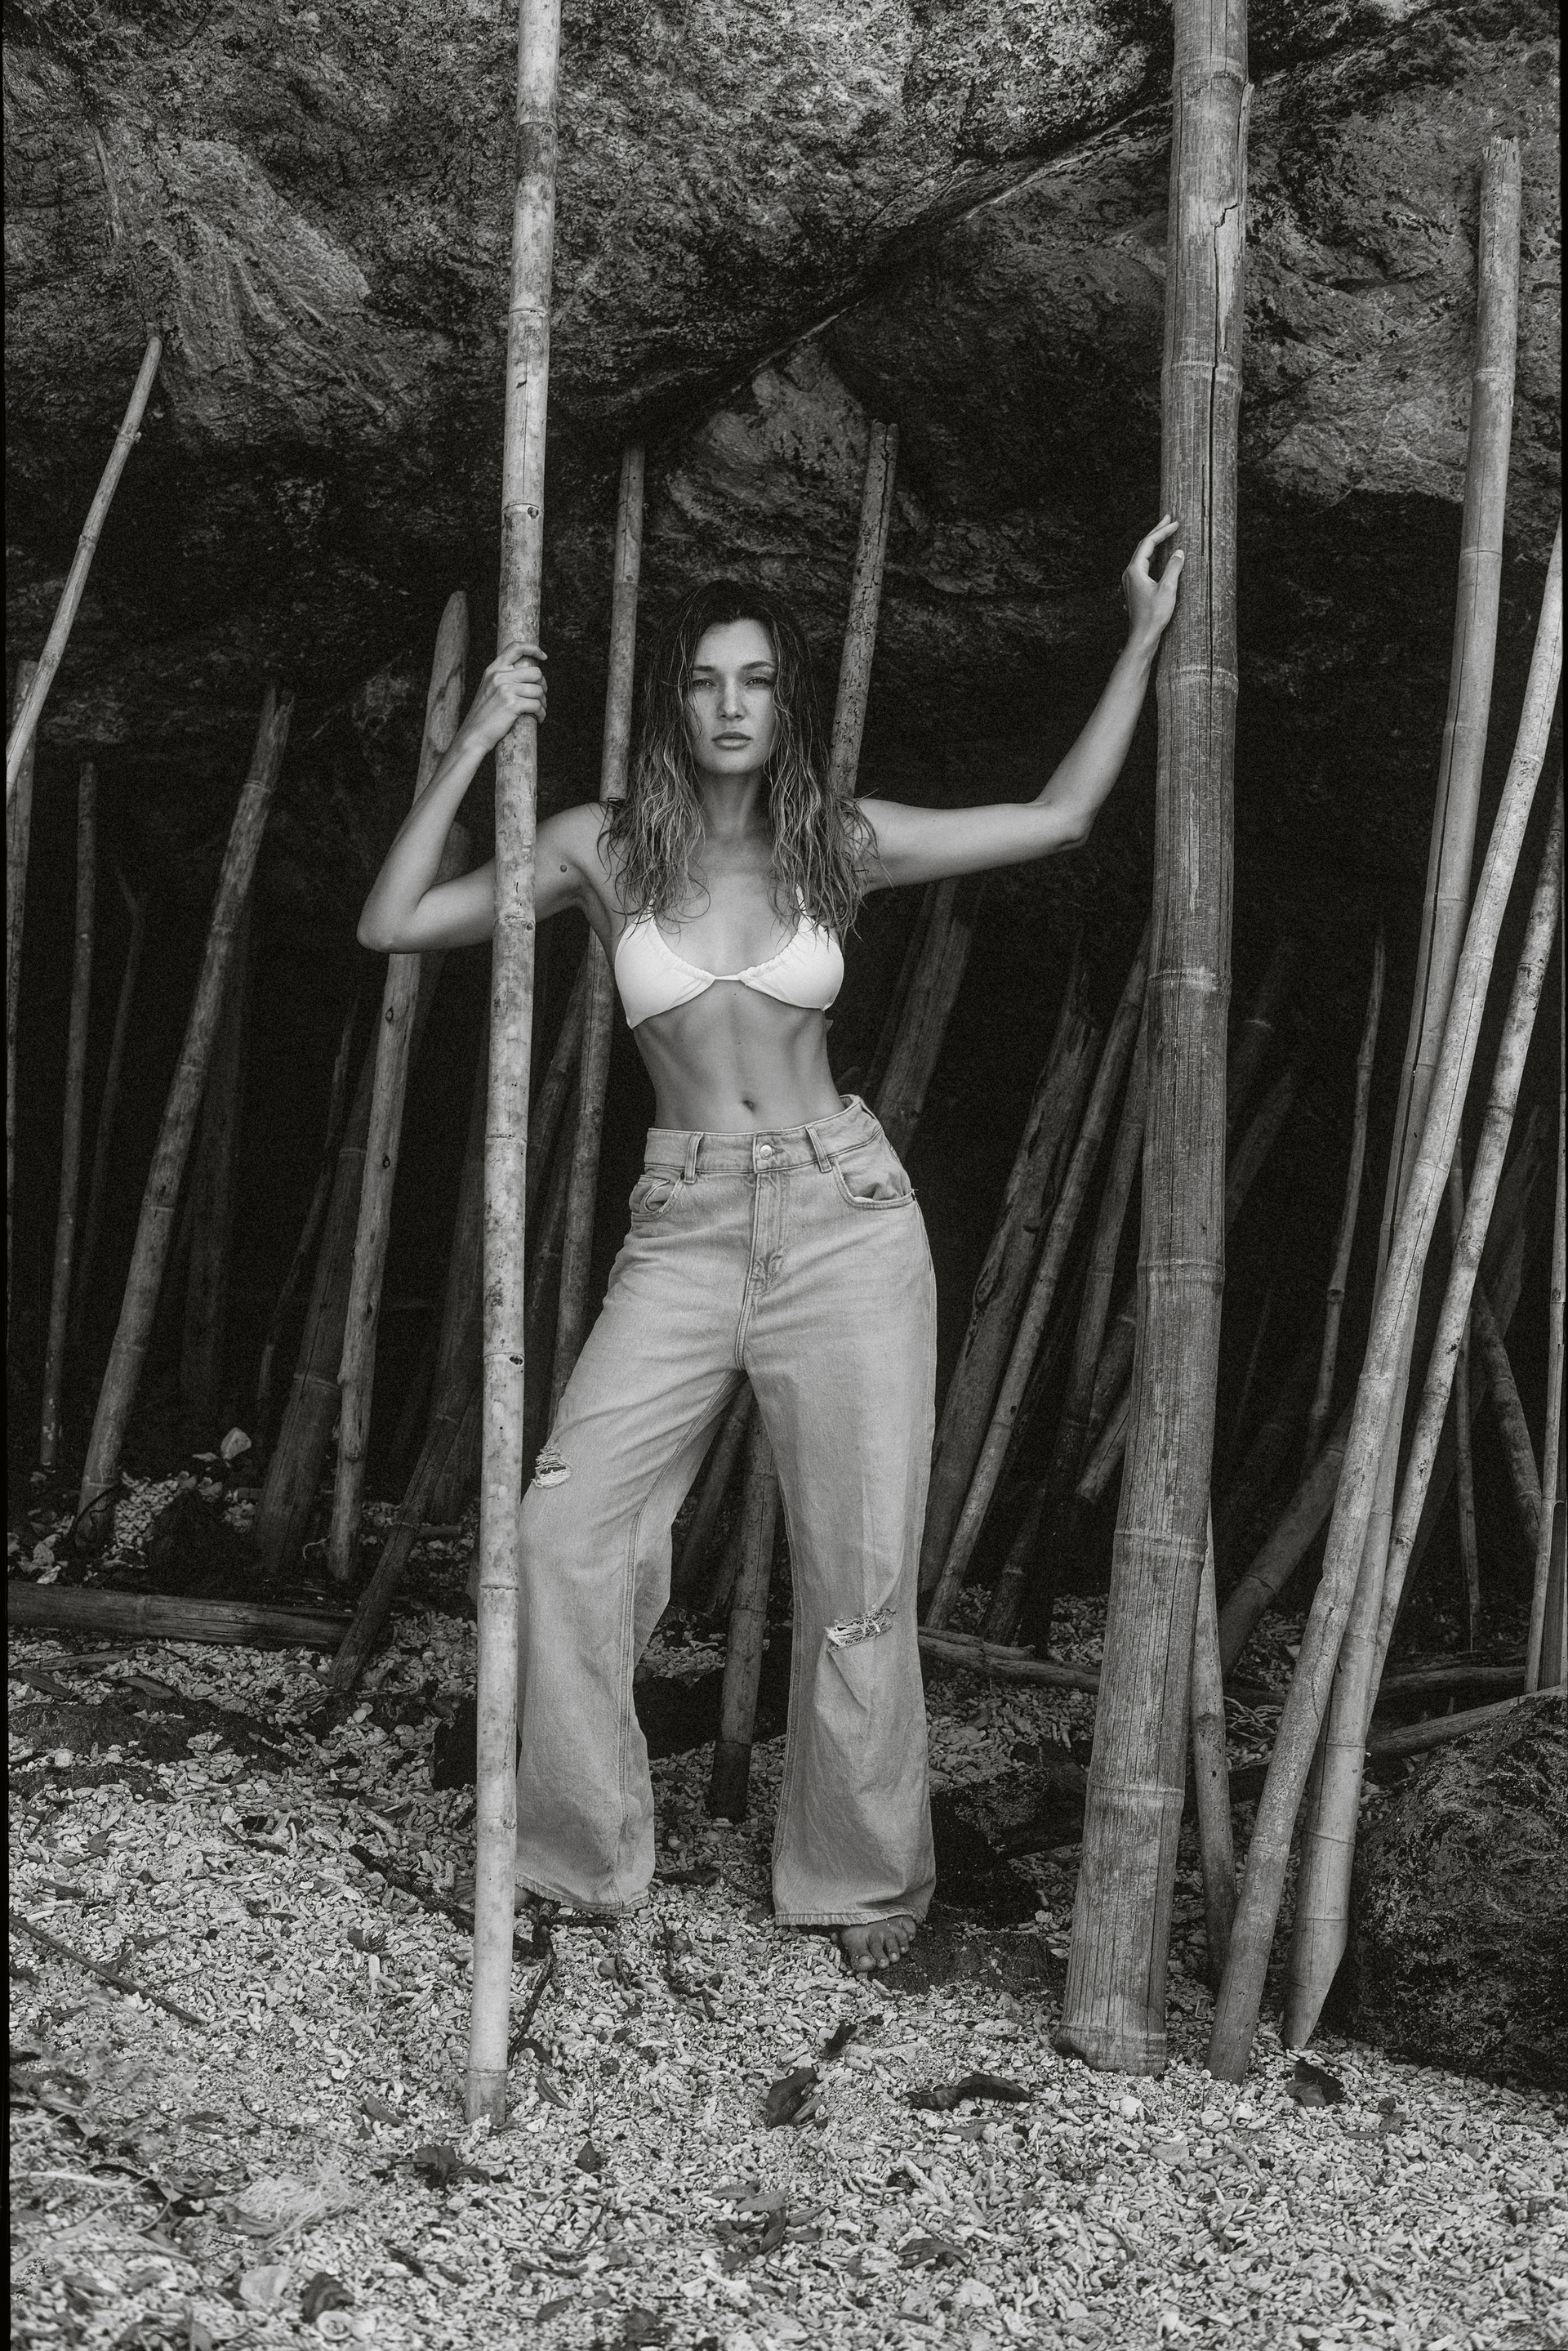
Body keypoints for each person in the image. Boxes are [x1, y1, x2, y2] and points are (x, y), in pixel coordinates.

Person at [359, 516, 1183, 1971]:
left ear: (784, 701)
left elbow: (1056, 817)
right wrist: (480, 736)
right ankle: (579, 1854)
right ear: (673, 701)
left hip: (844, 1218)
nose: (729, 706)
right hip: (683, 1224)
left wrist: (1141, 638)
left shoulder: (835, 843)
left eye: (753, 680)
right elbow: (394, 921)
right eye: (703, 680)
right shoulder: (599, 846)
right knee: (563, 1530)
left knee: (858, 1572)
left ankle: (858, 1883)